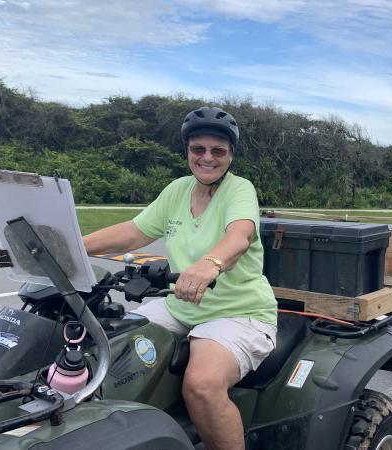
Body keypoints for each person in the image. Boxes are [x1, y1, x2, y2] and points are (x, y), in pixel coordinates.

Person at [83, 106, 277, 450]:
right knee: (103, 347)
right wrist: (71, 246)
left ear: (230, 155)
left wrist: (210, 263)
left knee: (201, 385)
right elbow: (132, 232)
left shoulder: (239, 189)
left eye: (218, 151)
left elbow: (240, 236)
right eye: (198, 149)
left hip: (238, 312)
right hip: (179, 305)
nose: (207, 158)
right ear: (187, 151)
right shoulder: (176, 190)